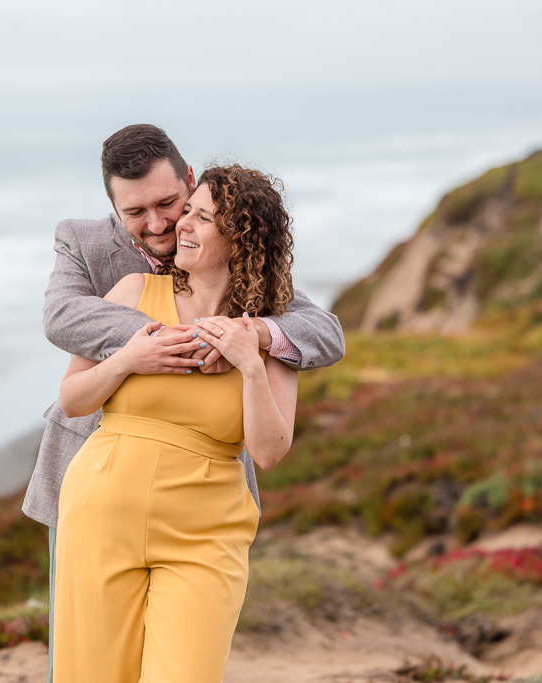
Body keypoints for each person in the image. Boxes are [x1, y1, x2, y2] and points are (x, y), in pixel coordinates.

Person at [21, 124, 345, 681]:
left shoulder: (265, 316)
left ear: (191, 185)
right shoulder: (91, 249)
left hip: (204, 516)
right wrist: (141, 350)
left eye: (178, 206)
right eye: (136, 212)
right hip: (96, 492)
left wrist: (254, 345)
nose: (163, 225)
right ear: (113, 208)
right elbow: (61, 322)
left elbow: (323, 333)